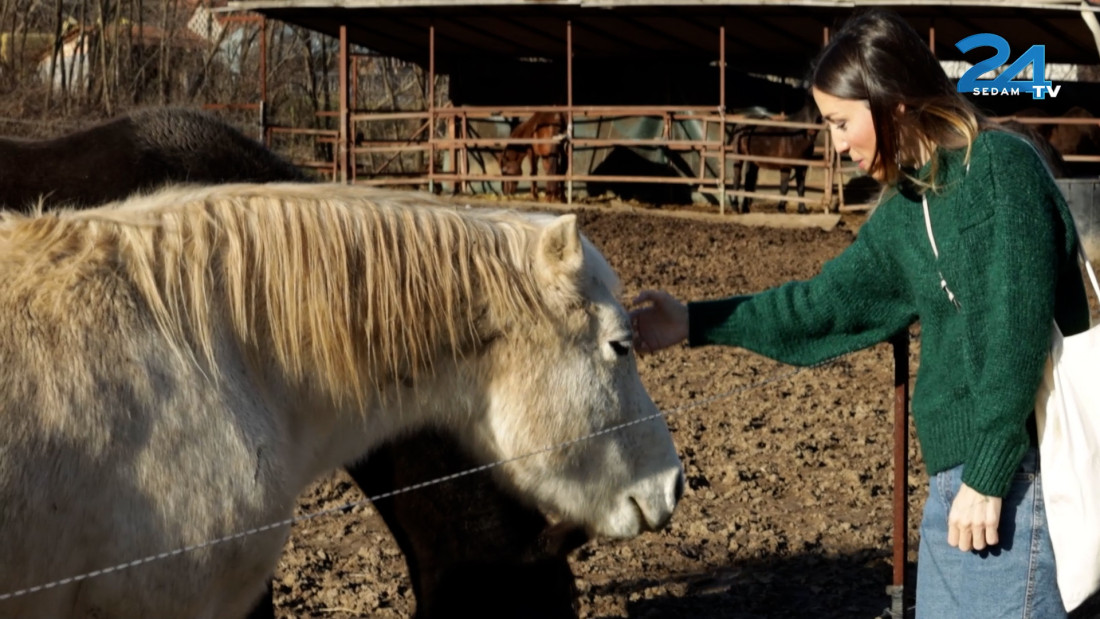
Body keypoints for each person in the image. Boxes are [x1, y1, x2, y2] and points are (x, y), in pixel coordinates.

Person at [629, 9, 1087, 619]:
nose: (837, 143)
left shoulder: (1000, 171)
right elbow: (824, 306)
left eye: (842, 122)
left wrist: (989, 475)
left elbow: (1017, 333)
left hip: (1014, 481)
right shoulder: (907, 207)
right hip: (955, 485)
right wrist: (694, 321)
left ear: (894, 102)